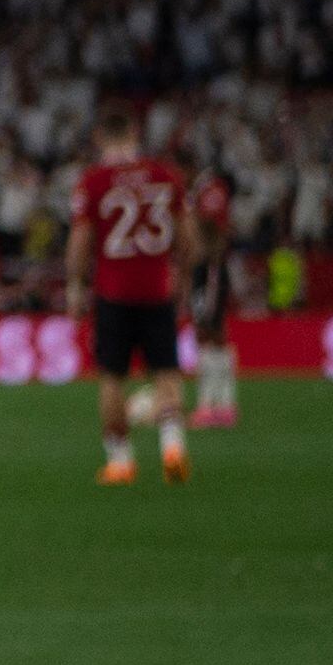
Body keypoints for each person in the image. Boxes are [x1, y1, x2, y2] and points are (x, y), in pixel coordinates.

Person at [70, 112, 193, 488]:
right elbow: (187, 239)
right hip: (158, 290)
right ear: (135, 133)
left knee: (111, 379)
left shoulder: (94, 181)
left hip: (113, 293)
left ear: (100, 137)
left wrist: (76, 284)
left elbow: (81, 242)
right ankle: (172, 448)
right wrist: (184, 278)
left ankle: (121, 463)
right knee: (167, 374)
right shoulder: (166, 176)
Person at [183, 162, 242, 432]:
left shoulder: (209, 189)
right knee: (205, 333)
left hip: (209, 269)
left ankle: (218, 406)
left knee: (212, 332)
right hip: (204, 269)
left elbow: (212, 225)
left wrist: (206, 260)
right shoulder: (202, 190)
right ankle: (216, 405)